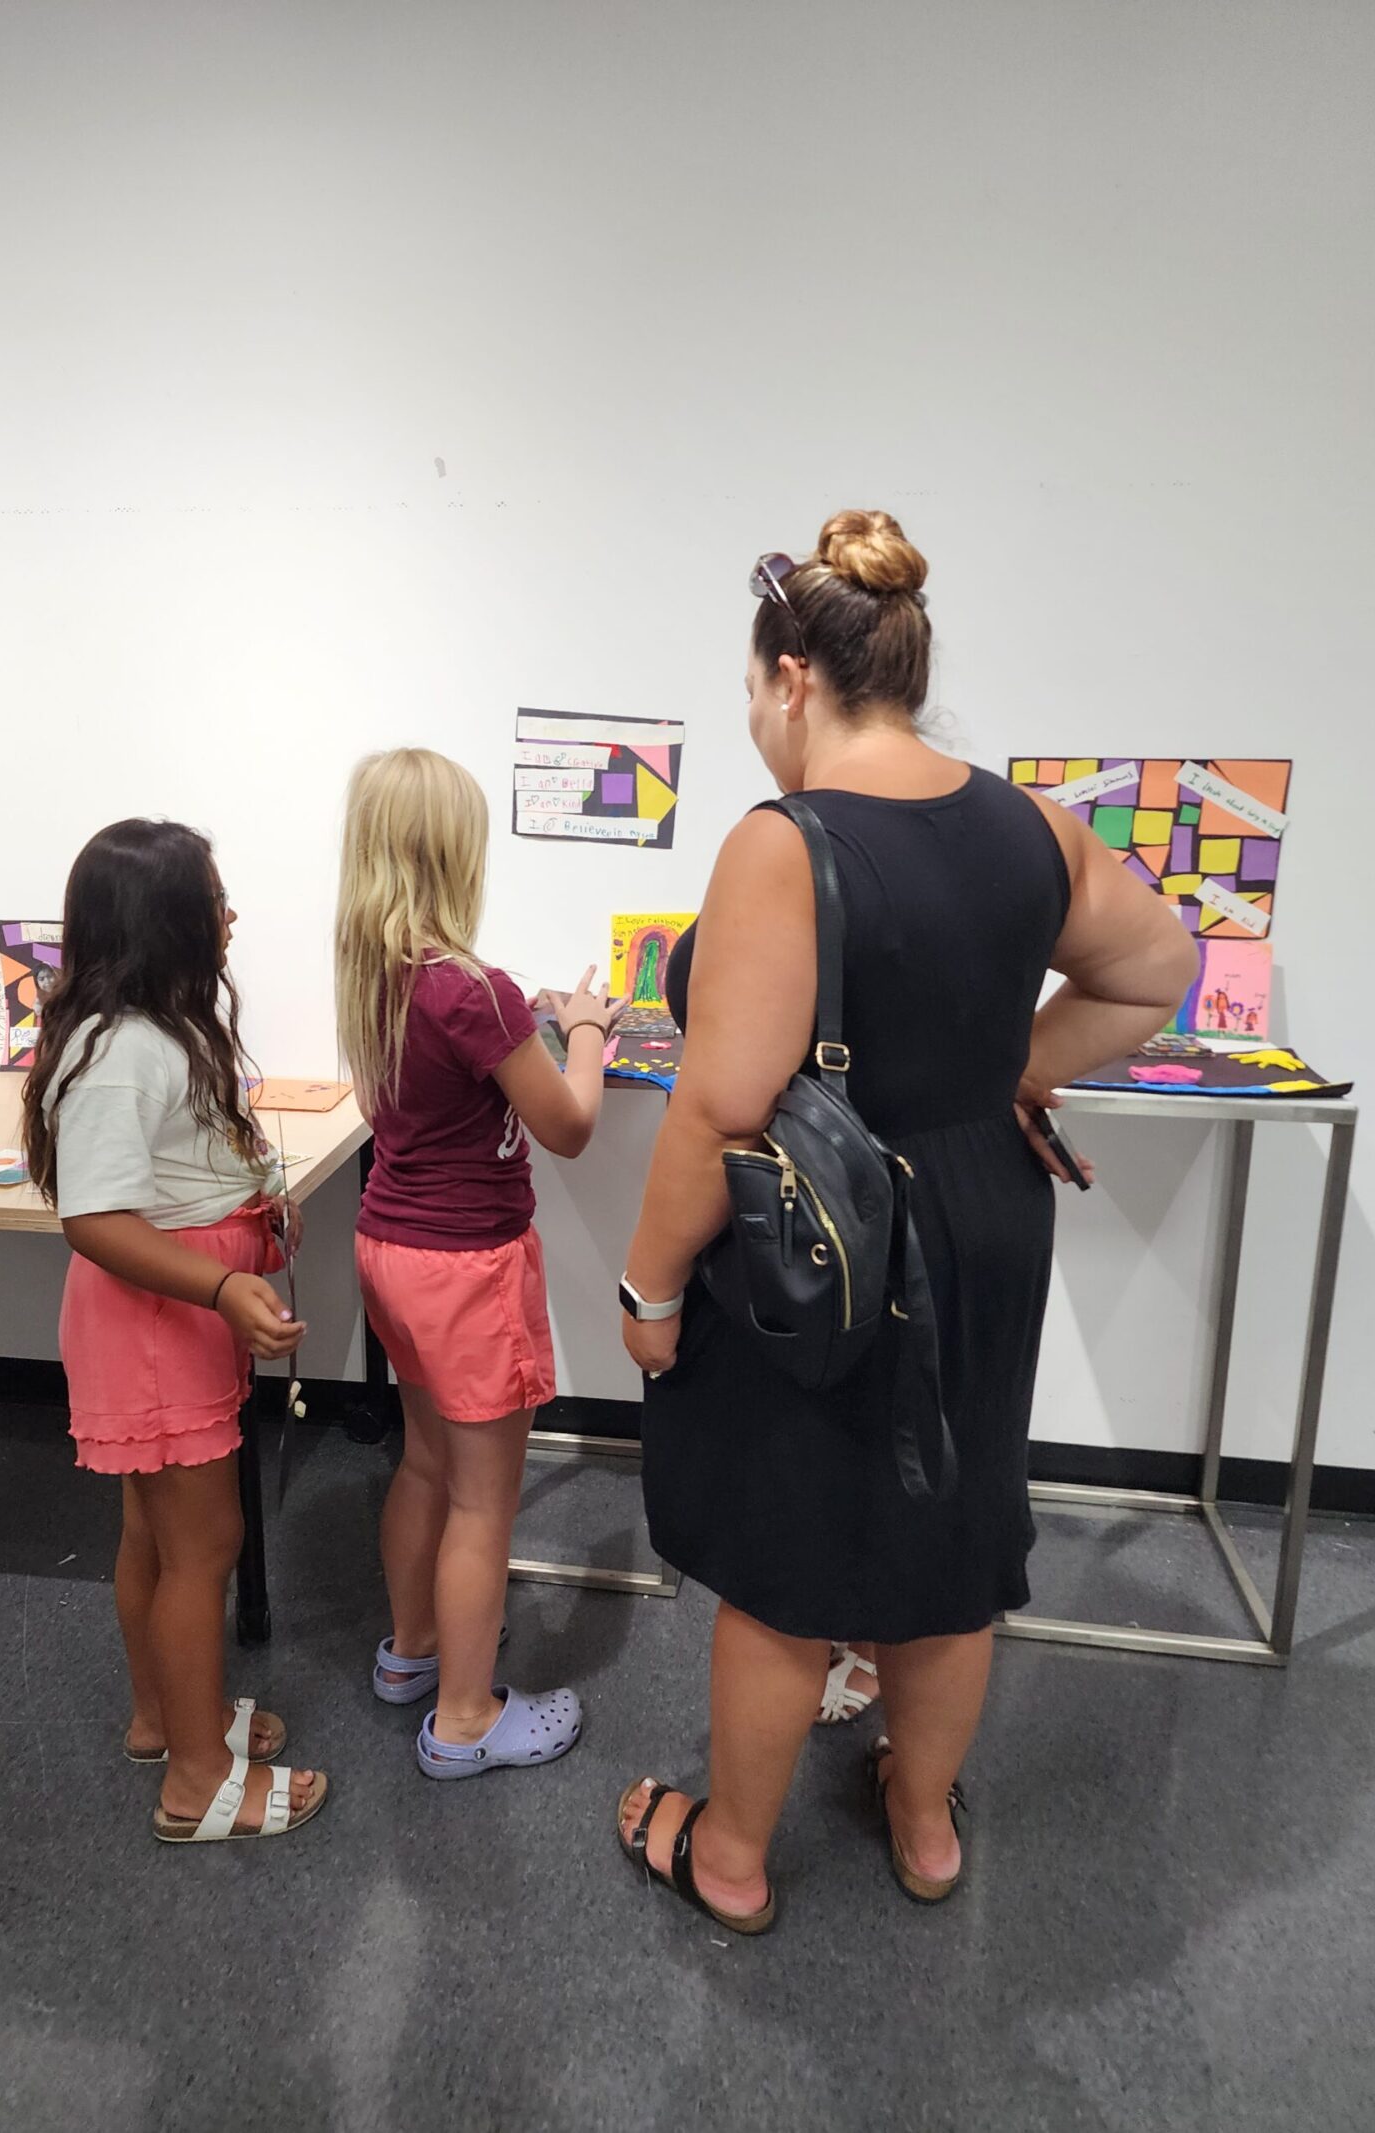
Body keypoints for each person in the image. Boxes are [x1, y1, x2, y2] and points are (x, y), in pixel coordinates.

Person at [614, 510, 1197, 1928]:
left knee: (786, 1555)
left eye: (751, 690)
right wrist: (1009, 1074)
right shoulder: (1027, 825)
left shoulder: (783, 842)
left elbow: (721, 1109)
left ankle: (735, 1857)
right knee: (950, 1531)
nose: (754, 717)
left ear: (794, 678)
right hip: (985, 1226)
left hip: (828, 1243)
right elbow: (1159, 968)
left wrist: (646, 1290)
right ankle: (923, 1823)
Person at [21, 818, 327, 1845]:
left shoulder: (159, 1031)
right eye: (213, 898)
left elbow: (175, 1173)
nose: (229, 914)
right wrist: (219, 1289)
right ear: (164, 923)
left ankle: (165, 1717)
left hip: (170, 1324)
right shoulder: (122, 1054)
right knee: (205, 1548)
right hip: (156, 1326)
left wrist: (252, 1207)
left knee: (156, 1535)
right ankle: (198, 1779)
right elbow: (96, 1220)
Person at [335, 748, 627, 1778]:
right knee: (482, 1501)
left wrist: (530, 1028)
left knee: (424, 1463)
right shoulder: (474, 992)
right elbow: (571, 1127)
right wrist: (583, 1032)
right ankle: (465, 1717)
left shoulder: (373, 974)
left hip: (390, 1251)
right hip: (467, 1269)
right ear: (453, 852)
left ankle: (412, 1653)